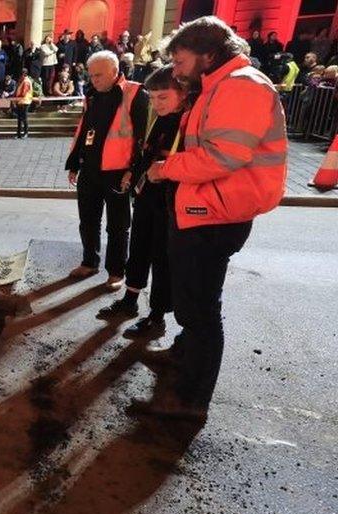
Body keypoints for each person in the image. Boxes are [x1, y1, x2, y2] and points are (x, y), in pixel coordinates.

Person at [136, 16, 286, 420]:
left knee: (201, 309)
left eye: (181, 62)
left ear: (207, 54)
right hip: (203, 208)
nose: (177, 70)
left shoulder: (242, 87)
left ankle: (189, 399)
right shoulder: (215, 86)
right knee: (190, 299)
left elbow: (223, 156)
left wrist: (166, 168)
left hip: (216, 214)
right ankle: (183, 358)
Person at [97, 65, 185, 339]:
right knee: (139, 249)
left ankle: (156, 316)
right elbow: (146, 152)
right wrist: (134, 176)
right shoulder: (161, 118)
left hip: (170, 201)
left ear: (182, 94)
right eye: (153, 97)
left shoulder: (186, 122)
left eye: (163, 97)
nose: (156, 103)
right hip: (148, 196)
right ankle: (131, 300)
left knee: (161, 258)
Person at [65, 50, 149, 289]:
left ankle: (116, 272)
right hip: (90, 170)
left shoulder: (134, 93)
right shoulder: (91, 95)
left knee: (118, 226)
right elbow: (84, 130)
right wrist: (74, 164)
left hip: (118, 173)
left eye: (99, 75)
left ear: (114, 71)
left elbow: (143, 138)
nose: (94, 80)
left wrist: (133, 171)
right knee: (88, 221)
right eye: (91, 76)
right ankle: (89, 262)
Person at [12, 69, 34, 138]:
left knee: (24, 118)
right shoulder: (21, 81)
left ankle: (25, 133)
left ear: (24, 74)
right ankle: (18, 133)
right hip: (20, 101)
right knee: (19, 118)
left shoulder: (26, 81)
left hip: (25, 101)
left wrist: (16, 98)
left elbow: (23, 93)